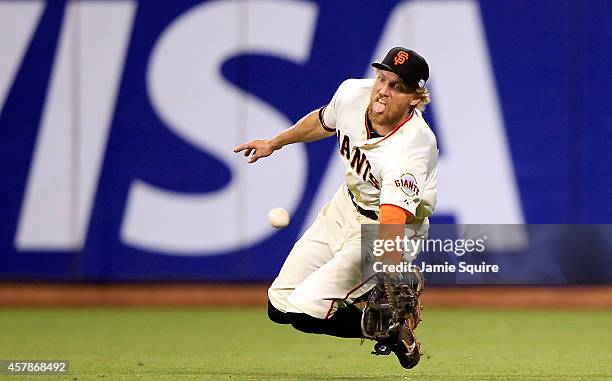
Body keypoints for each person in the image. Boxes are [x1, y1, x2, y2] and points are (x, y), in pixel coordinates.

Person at [234, 47, 438, 369]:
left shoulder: (411, 150)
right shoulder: (353, 93)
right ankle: (382, 323)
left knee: (304, 311)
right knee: (279, 305)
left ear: (415, 97)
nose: (383, 90)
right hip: (343, 207)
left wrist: (389, 275)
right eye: (382, 78)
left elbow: (392, 218)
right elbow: (322, 121)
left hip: (382, 231)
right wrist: (275, 142)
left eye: (397, 86)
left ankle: (390, 328)